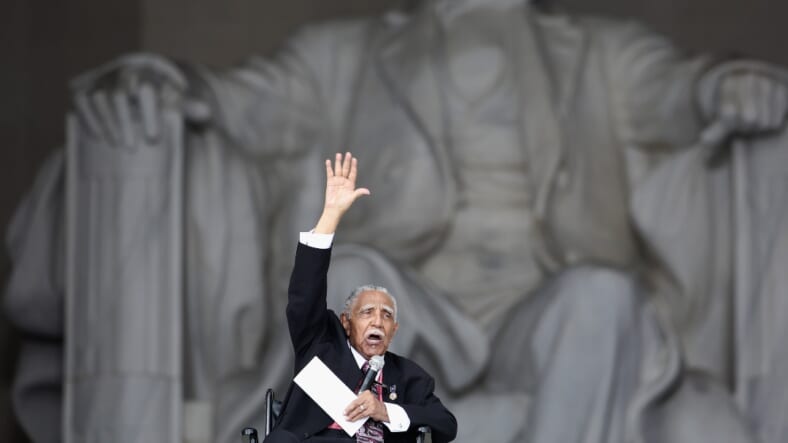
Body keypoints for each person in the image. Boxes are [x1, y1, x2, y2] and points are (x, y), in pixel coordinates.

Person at [5, 1, 788, 442]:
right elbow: (248, 102)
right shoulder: (343, 52)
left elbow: (682, 93)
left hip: (544, 309)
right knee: (350, 273)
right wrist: (167, 82)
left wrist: (730, 89)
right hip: (413, 303)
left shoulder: (600, 51)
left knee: (604, 297)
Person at [265, 152, 457, 443]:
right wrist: (330, 215)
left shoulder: (410, 376)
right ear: (346, 322)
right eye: (367, 312)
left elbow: (446, 425)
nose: (377, 321)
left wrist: (385, 410)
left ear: (394, 330)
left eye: (386, 315)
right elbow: (305, 295)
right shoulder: (321, 346)